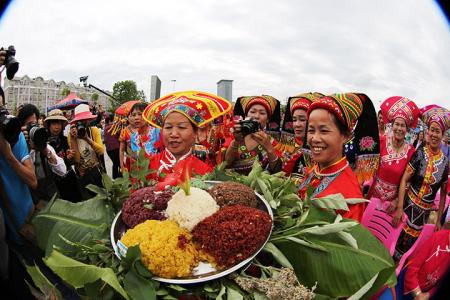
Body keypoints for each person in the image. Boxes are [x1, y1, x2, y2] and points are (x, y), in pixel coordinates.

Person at [297, 93, 372, 222]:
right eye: (311, 130)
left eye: (324, 131)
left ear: (346, 136)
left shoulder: (349, 197)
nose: (314, 138)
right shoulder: (316, 168)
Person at [394, 105, 449, 260]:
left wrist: (438, 219)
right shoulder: (419, 153)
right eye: (431, 130)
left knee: (407, 250)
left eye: (437, 131)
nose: (433, 134)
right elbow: (405, 179)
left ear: (442, 134)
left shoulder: (445, 163)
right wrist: (399, 207)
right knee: (394, 241)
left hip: (423, 215)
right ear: (427, 131)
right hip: (406, 207)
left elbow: (444, 192)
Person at [142, 91, 231, 184]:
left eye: (181, 127)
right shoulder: (147, 166)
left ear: (195, 132)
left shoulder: (205, 172)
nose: (174, 134)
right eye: (168, 127)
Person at [367, 96, 420, 212]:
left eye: (403, 125)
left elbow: (409, 181)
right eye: (397, 124)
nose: (399, 128)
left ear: (407, 129)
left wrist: (397, 202)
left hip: (391, 205)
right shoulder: (381, 141)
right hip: (371, 197)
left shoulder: (411, 152)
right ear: (392, 125)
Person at [225, 95, 282, 175]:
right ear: (246, 115)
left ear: (268, 119)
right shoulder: (234, 136)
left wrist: (269, 149)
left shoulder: (272, 143)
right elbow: (226, 164)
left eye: (262, 113)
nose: (256, 116)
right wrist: (236, 141)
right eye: (252, 112)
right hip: (231, 185)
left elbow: (277, 172)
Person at [281, 92, 324, 183]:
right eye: (294, 120)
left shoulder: (322, 150)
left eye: (302, 119)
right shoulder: (289, 146)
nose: (297, 125)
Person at [68, 104, 105, 200]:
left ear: (89, 120)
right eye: (79, 121)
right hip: (83, 174)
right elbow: (76, 159)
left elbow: (101, 151)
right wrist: (73, 139)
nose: (83, 123)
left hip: (96, 170)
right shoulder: (71, 135)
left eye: (85, 120)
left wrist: (87, 139)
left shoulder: (94, 131)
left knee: (102, 198)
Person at [403, 223, 450, 299]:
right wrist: (418, 294)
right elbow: (413, 268)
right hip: (407, 284)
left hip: (425, 293)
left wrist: (428, 295)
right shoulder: (438, 237)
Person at [44, 109, 81, 201]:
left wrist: (69, 157)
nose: (57, 127)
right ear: (49, 126)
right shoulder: (44, 144)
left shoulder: (64, 140)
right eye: (54, 124)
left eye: (59, 124)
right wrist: (65, 159)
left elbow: (71, 162)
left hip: (70, 179)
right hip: (56, 184)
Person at [119, 107, 138, 172]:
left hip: (144, 162)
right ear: (127, 117)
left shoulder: (143, 129)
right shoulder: (124, 131)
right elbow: (121, 150)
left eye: (137, 115)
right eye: (132, 115)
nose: (135, 118)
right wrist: (122, 166)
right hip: (131, 163)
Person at [103, 114, 121, 179]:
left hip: (109, 150)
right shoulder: (113, 127)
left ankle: (116, 177)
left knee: (115, 163)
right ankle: (121, 176)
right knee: (120, 163)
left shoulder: (105, 128)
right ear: (111, 120)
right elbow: (120, 135)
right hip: (116, 148)